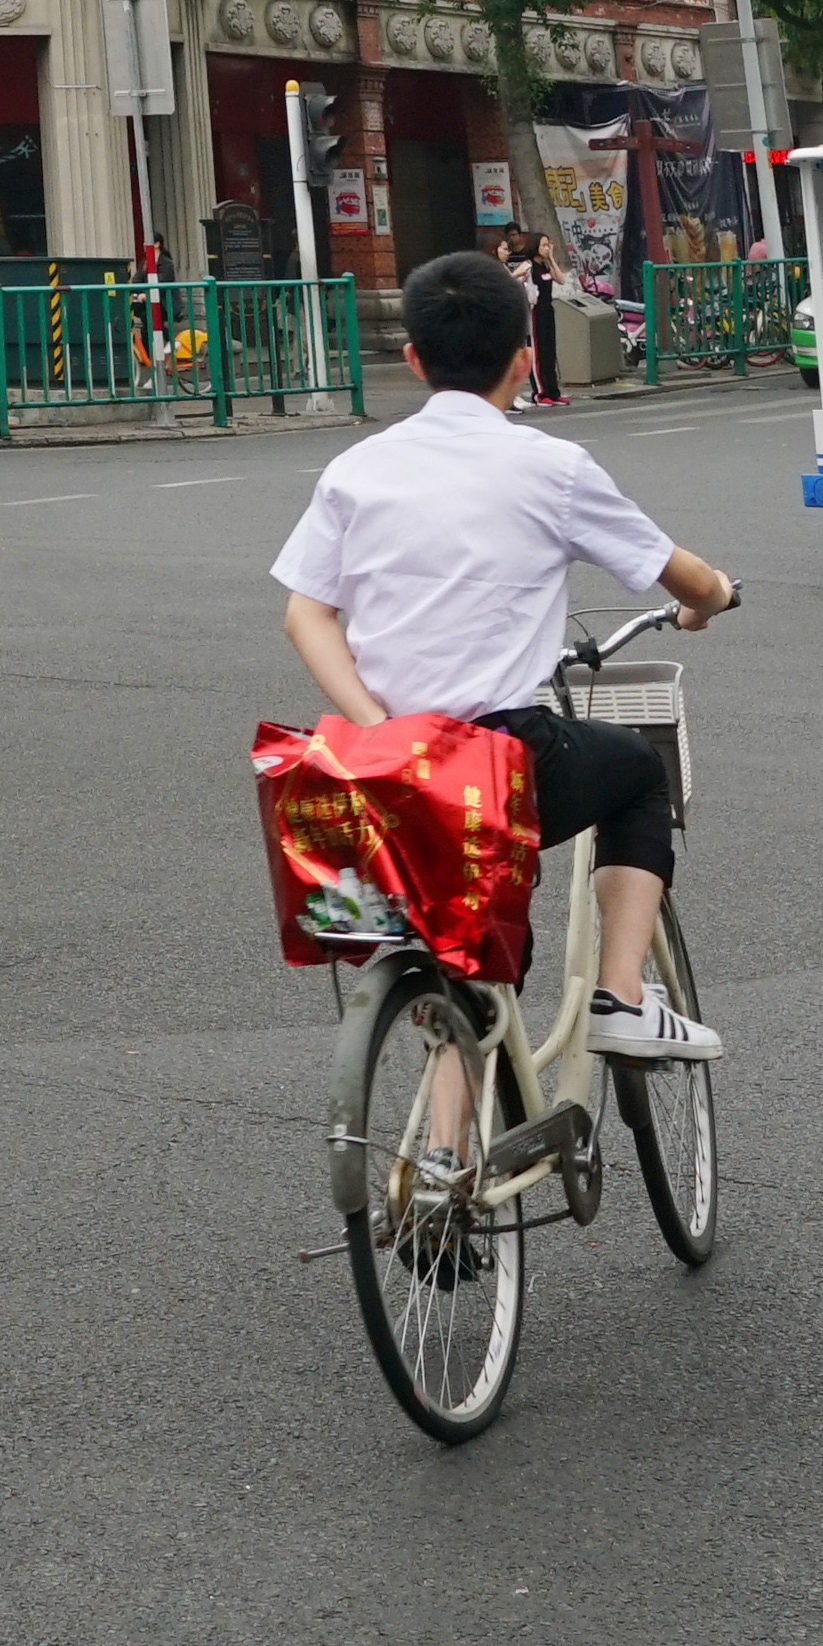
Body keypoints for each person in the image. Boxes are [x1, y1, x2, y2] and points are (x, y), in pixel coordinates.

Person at [273, 247, 736, 1071]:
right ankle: (621, 998)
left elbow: (306, 613)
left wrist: (380, 726)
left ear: (413, 358)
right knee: (636, 772)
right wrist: (709, 601)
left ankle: (446, 1164)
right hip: (502, 754)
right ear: (526, 356)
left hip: (381, 767)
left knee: (468, 955)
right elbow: (683, 574)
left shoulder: (358, 469)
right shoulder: (550, 467)